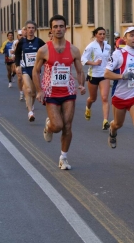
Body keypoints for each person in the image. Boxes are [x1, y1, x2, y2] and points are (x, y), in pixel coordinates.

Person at [33, 14, 86, 170]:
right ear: (51, 29)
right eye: (55, 26)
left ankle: (63, 157)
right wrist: (39, 90)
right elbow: (36, 71)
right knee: (57, 126)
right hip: (50, 92)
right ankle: (49, 125)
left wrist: (81, 84)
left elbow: (80, 70)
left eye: (61, 26)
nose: (58, 29)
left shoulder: (74, 50)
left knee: (67, 126)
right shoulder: (43, 50)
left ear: (65, 28)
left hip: (68, 91)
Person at [104, 26, 134, 168]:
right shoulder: (118, 54)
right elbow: (106, 73)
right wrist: (121, 76)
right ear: (125, 38)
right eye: (132, 35)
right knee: (118, 124)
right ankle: (112, 130)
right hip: (120, 95)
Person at [81, 27, 112, 130]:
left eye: (104, 34)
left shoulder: (108, 46)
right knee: (93, 98)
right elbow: (83, 60)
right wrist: (94, 63)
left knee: (104, 98)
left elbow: (109, 59)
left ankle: (105, 121)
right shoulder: (91, 46)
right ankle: (88, 107)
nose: (102, 36)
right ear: (96, 35)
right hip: (93, 75)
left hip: (104, 75)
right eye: (100, 34)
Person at [15, 21, 46, 121]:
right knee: (28, 90)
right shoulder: (22, 42)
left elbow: (46, 53)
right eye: (29, 28)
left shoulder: (39, 42)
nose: (31, 30)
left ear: (35, 30)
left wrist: (44, 63)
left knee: (33, 93)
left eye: (33, 28)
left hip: (36, 70)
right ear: (26, 30)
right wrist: (18, 65)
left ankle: (31, 106)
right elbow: (18, 54)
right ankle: (30, 112)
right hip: (25, 68)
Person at [12, 28, 25, 100]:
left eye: (22, 35)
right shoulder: (16, 43)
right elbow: (14, 52)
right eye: (20, 35)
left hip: (27, 62)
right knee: (20, 78)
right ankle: (21, 93)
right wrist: (13, 56)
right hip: (19, 61)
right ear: (17, 36)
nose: (21, 36)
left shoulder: (28, 41)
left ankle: (26, 92)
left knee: (26, 78)